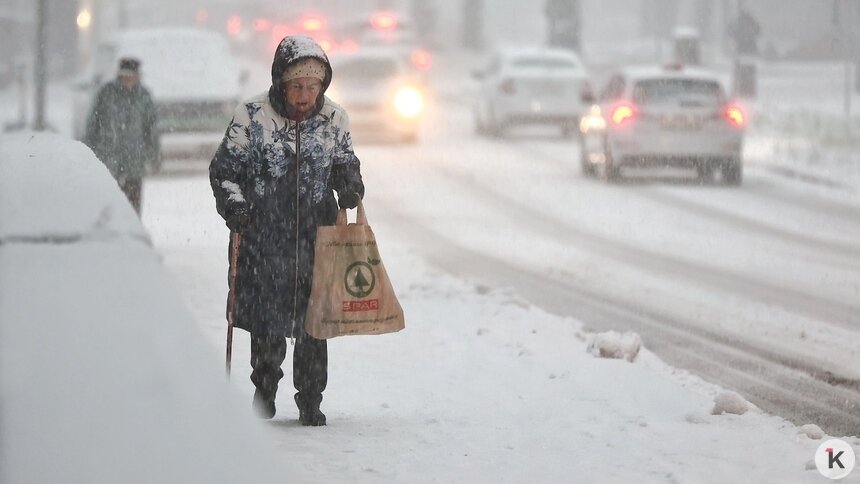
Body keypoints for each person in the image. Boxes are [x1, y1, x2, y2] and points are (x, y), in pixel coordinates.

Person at [209, 35, 364, 425]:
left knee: (315, 325)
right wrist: (235, 206)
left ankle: (311, 400)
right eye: (297, 85)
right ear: (280, 81)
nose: (304, 94)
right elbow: (225, 171)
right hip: (263, 238)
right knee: (267, 323)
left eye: (312, 86)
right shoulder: (252, 115)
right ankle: (264, 392)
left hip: (317, 240)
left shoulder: (335, 119)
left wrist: (349, 185)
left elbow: (346, 162)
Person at [83, 57, 160, 215]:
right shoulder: (106, 93)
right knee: (108, 208)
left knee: (132, 208)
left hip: (134, 163)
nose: (127, 80)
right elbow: (93, 124)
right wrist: (88, 151)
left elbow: (151, 129)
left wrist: (155, 156)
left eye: (131, 76)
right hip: (108, 162)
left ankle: (131, 235)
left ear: (137, 77)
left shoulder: (143, 97)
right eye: (124, 76)